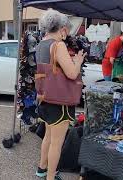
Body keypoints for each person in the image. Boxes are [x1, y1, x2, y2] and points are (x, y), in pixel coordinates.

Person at [35, 9, 86, 180]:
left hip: (46, 97)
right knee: (57, 143)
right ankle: (50, 177)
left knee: (48, 137)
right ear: (62, 28)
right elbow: (71, 74)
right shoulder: (58, 45)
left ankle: (42, 169)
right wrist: (77, 62)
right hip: (59, 101)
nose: (67, 33)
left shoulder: (41, 43)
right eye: (67, 29)